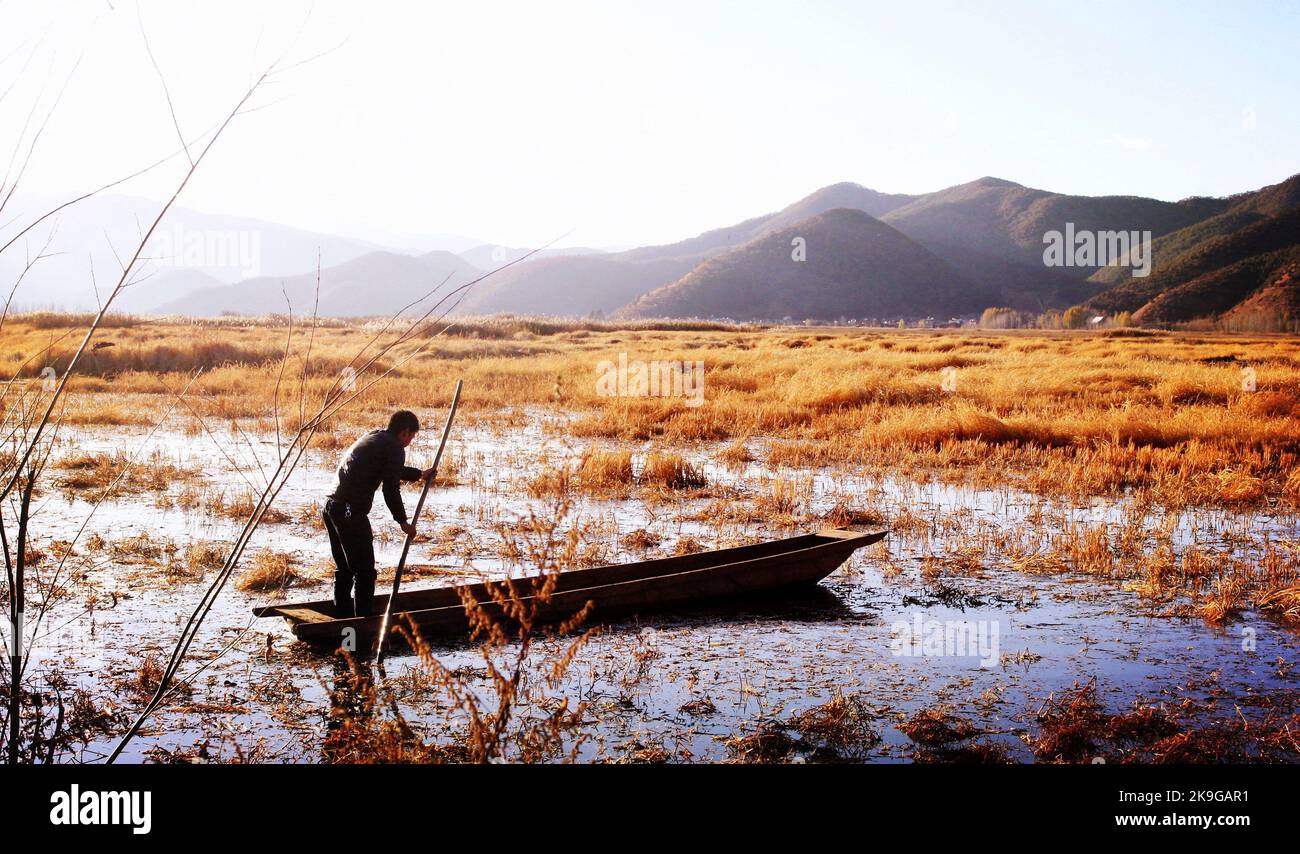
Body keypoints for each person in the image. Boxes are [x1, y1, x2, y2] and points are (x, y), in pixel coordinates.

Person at [323, 410, 435, 617]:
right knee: (364, 572)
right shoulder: (395, 447)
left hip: (331, 506)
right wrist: (403, 521)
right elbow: (390, 489)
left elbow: (390, 469)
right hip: (349, 510)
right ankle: (361, 627)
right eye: (411, 436)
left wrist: (419, 474)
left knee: (346, 569)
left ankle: (342, 621)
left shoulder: (374, 437)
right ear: (404, 433)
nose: (410, 441)